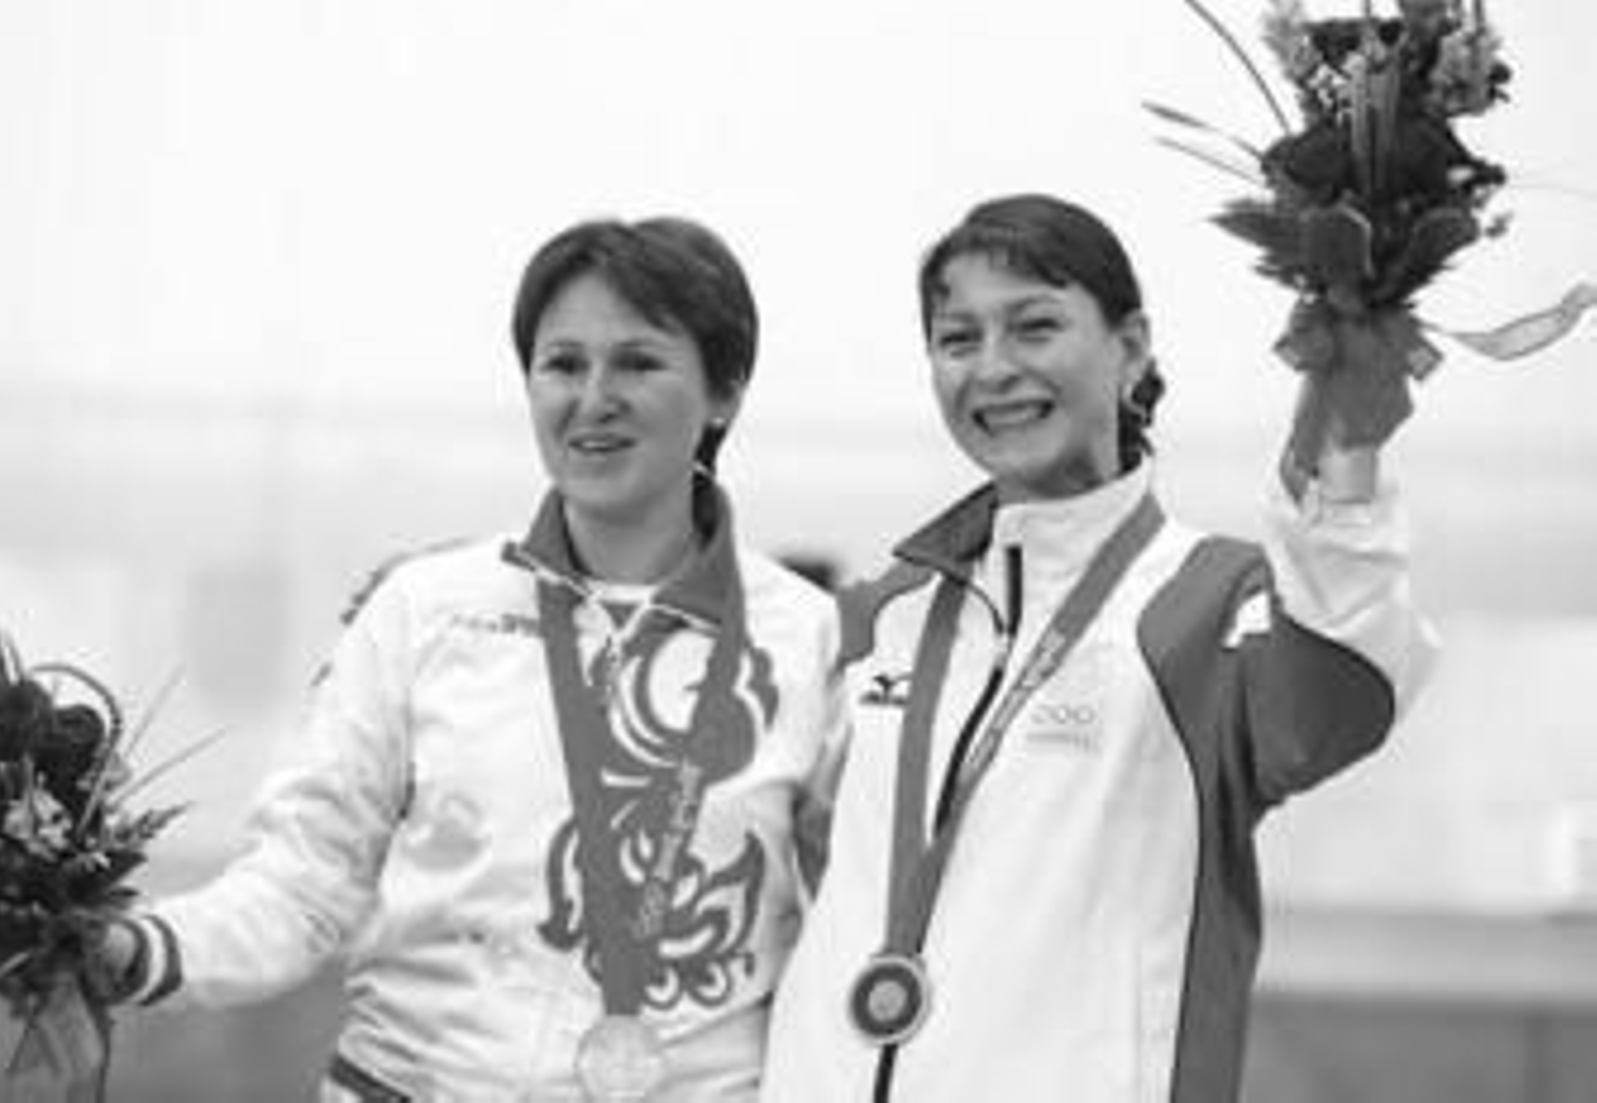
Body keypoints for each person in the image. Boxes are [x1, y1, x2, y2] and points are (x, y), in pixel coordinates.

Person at [95, 215, 846, 1101]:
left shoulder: (813, 642)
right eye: (563, 363)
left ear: (724, 391)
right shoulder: (427, 608)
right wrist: (128, 948)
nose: (593, 396)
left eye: (638, 362)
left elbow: (852, 929)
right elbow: (305, 879)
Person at [761, 194, 1437, 1103]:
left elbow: (1333, 703)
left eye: (1034, 327)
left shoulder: (1210, 603)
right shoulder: (878, 618)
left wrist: (1348, 448)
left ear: (1133, 346)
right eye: (958, 339)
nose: (993, 369)